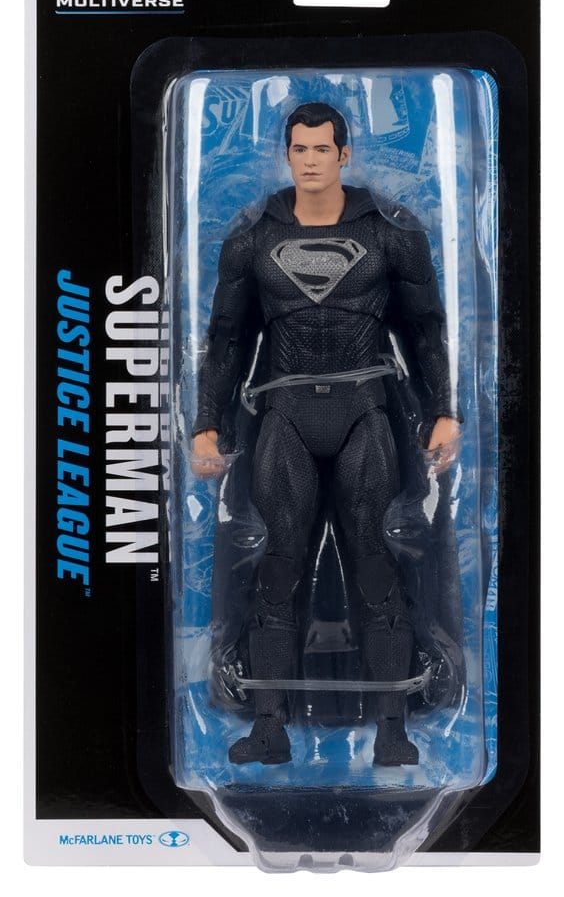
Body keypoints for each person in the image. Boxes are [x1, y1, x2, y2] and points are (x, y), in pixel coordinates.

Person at [191, 101, 460, 766]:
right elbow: (226, 338)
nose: (309, 160)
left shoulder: (391, 231)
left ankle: (393, 731)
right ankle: (269, 727)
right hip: (284, 414)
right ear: (286, 154)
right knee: (279, 564)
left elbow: (426, 327)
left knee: (374, 560)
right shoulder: (253, 235)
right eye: (299, 149)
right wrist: (206, 424)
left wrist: (443, 409)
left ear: (344, 154)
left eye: (321, 149)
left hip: (365, 411)